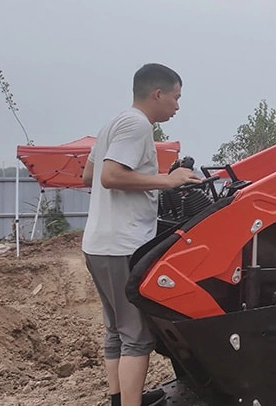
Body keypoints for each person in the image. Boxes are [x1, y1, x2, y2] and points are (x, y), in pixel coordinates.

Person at [81, 63, 201, 406]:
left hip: (98, 244)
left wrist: (156, 176)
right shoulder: (137, 125)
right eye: (176, 98)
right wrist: (168, 181)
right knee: (136, 336)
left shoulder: (113, 123)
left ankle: (119, 398)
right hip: (122, 246)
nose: (178, 106)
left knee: (116, 331)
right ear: (157, 94)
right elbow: (110, 177)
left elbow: (88, 175)